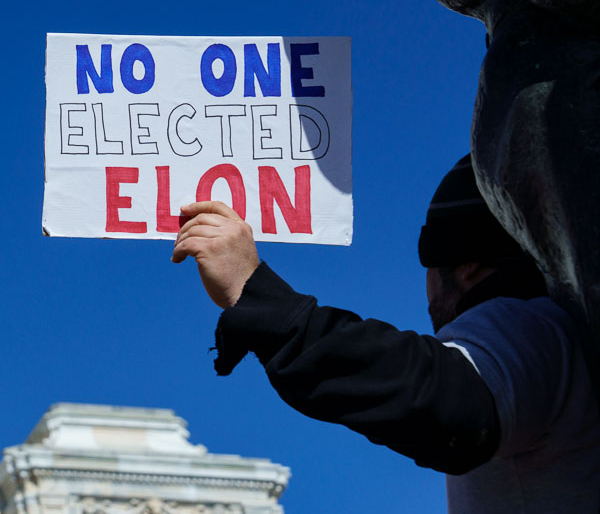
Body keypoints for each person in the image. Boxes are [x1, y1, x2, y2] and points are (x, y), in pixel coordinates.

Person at [173, 155, 600, 510]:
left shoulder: (529, 327)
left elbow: (442, 397)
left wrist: (256, 294)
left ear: (466, 265)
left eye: (427, 264)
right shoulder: (571, 341)